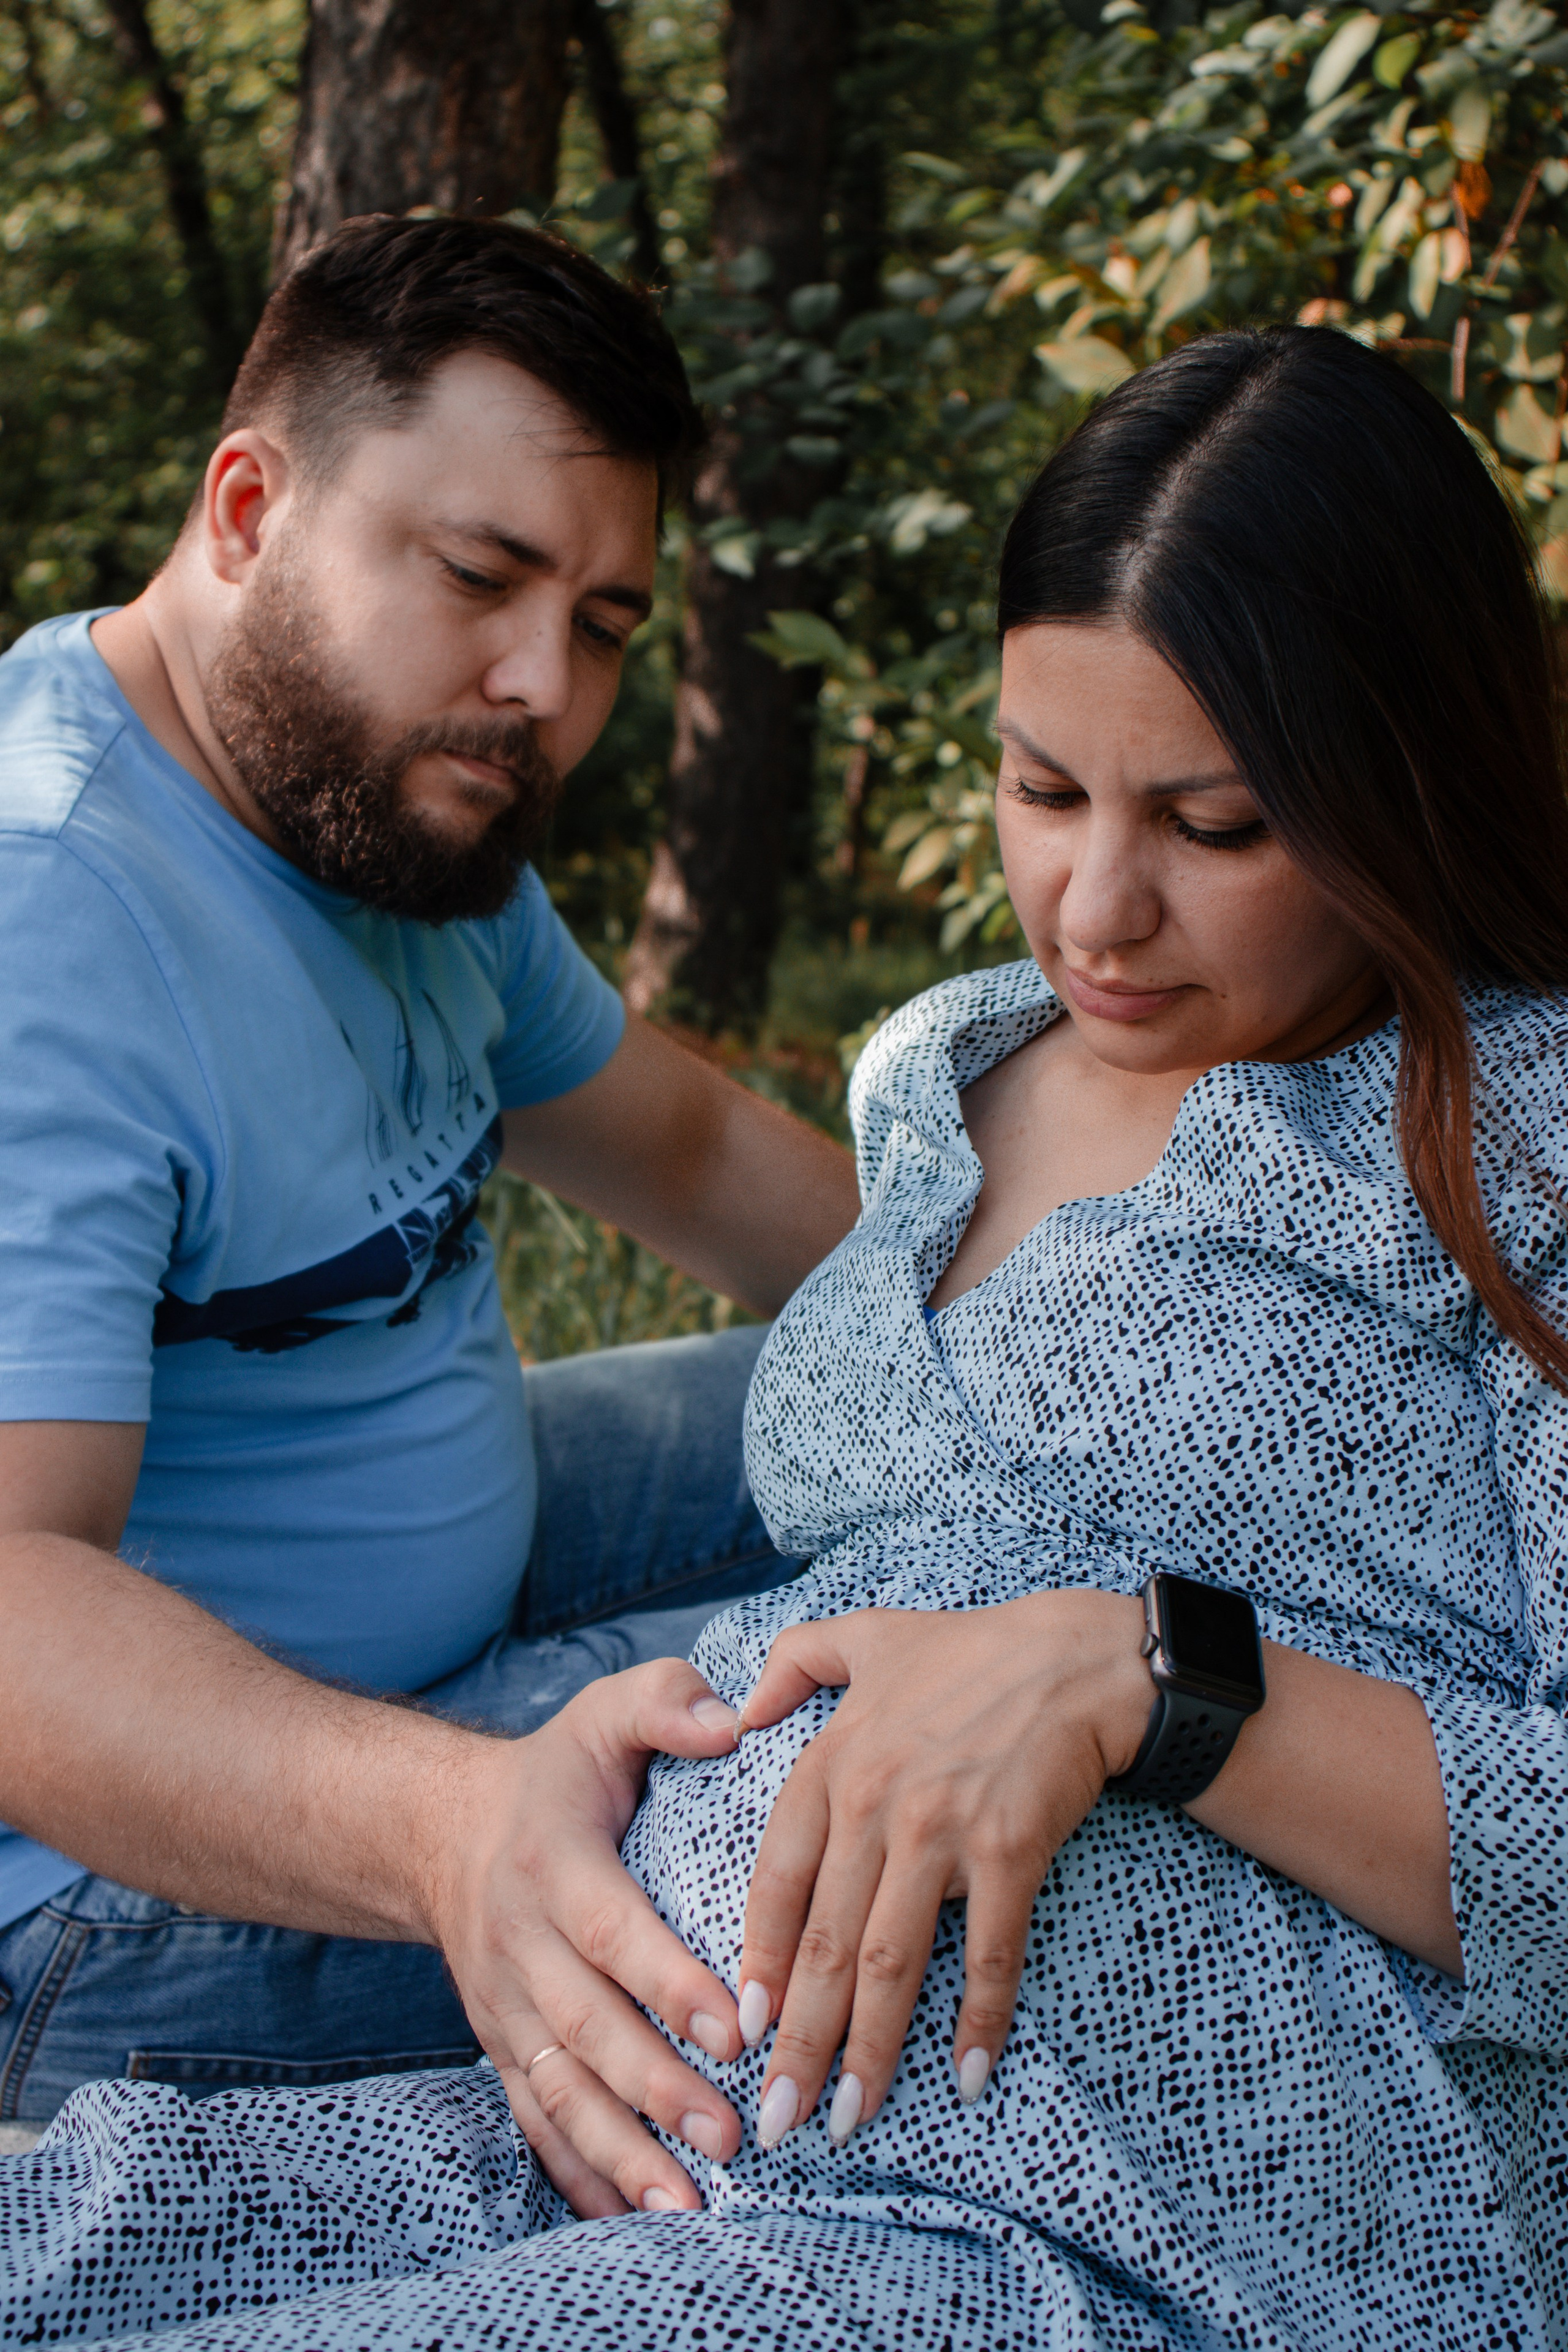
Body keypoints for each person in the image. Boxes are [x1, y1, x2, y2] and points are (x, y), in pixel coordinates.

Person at [4, 320, 1567, 2351]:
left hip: (1113, 2204)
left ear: (1402, 784)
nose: (1093, 909)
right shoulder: (950, 1072)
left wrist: (1154, 1673)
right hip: (653, 2085)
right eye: (1040, 787)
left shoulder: (1515, 1145)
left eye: (1219, 826)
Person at [0, 212, 859, 2185]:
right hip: (113, 1894)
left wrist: (1057, 1316)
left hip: (459, 1566)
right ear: (246, 508)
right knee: (921, 1715)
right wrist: (459, 1828)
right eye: (480, 576)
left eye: (608, 626)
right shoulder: (54, 915)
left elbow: (694, 1154)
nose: (542, 688)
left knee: (934, 1377)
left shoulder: (385, 808)